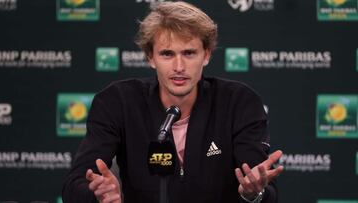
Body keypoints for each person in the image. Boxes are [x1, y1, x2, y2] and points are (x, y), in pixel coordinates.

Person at [62, 1, 284, 203]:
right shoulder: (118, 101)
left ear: (206, 55)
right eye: (167, 54)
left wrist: (254, 194)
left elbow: (267, 191)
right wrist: (96, 193)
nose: (179, 66)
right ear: (151, 57)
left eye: (189, 53)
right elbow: (75, 186)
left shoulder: (239, 102)